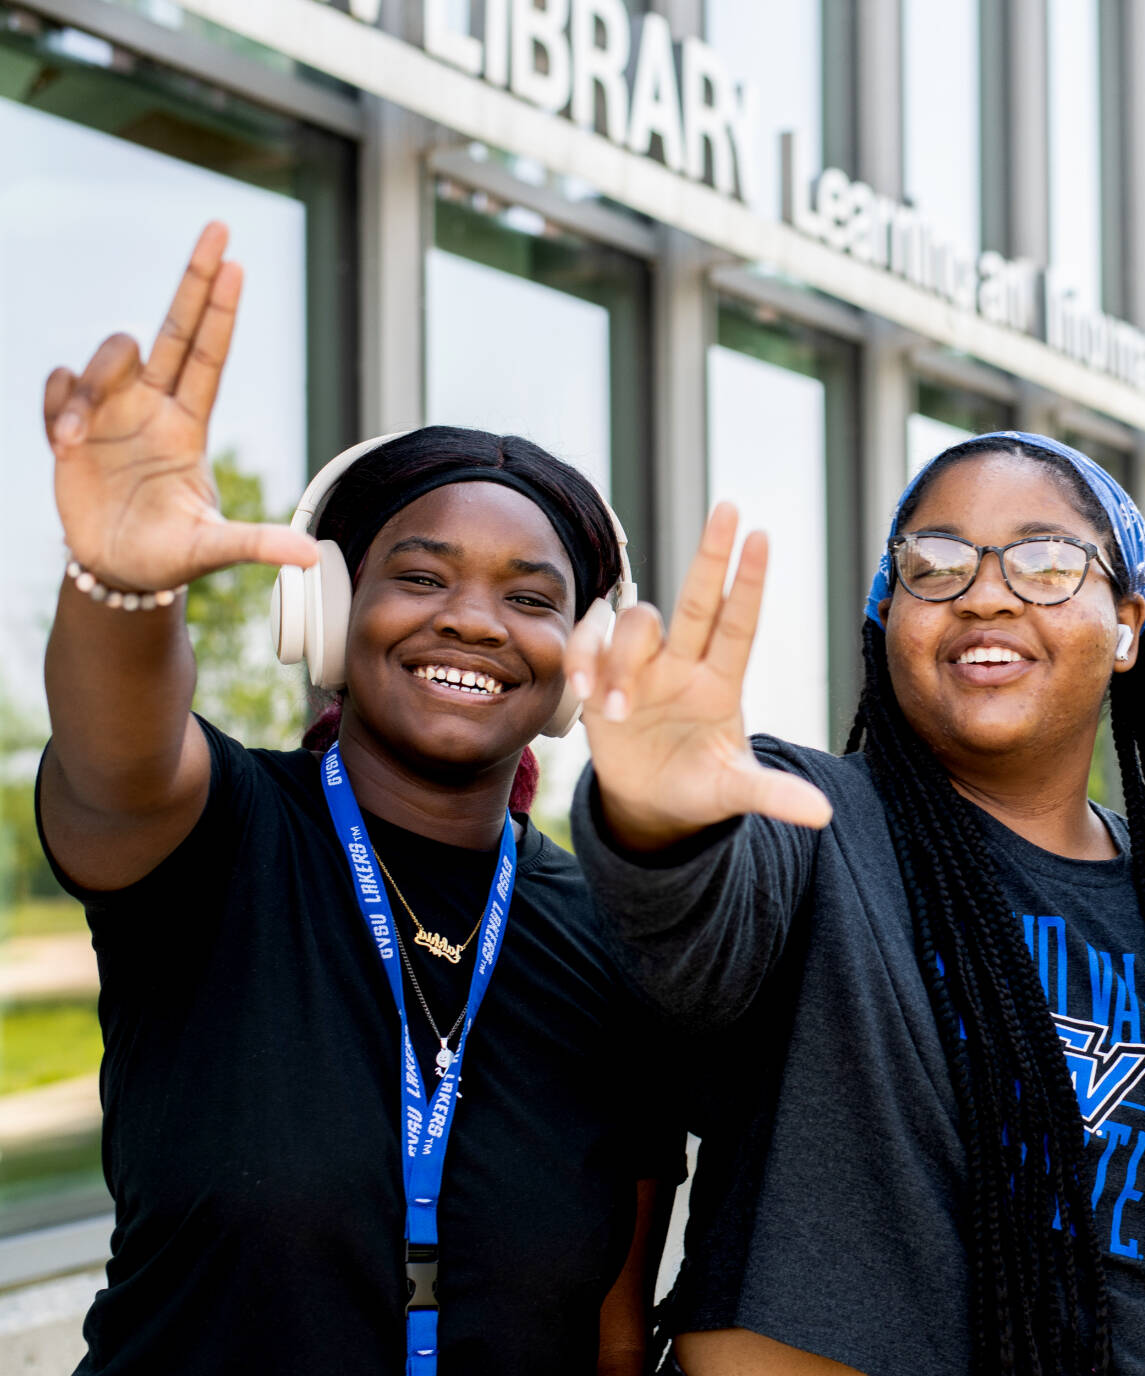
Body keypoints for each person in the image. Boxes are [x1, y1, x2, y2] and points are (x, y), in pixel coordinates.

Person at [36, 222, 674, 1375]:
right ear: (327, 613)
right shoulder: (220, 837)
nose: (473, 619)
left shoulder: (610, 937)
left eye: (530, 598)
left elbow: (612, 1334)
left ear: (578, 657)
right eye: (420, 575)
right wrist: (121, 590)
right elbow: (116, 756)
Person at [561, 434, 1145, 1375]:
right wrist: (657, 826)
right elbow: (691, 940)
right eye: (933, 566)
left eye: (1046, 561)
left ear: (1127, 625)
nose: (984, 593)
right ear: (886, 616)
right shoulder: (808, 817)